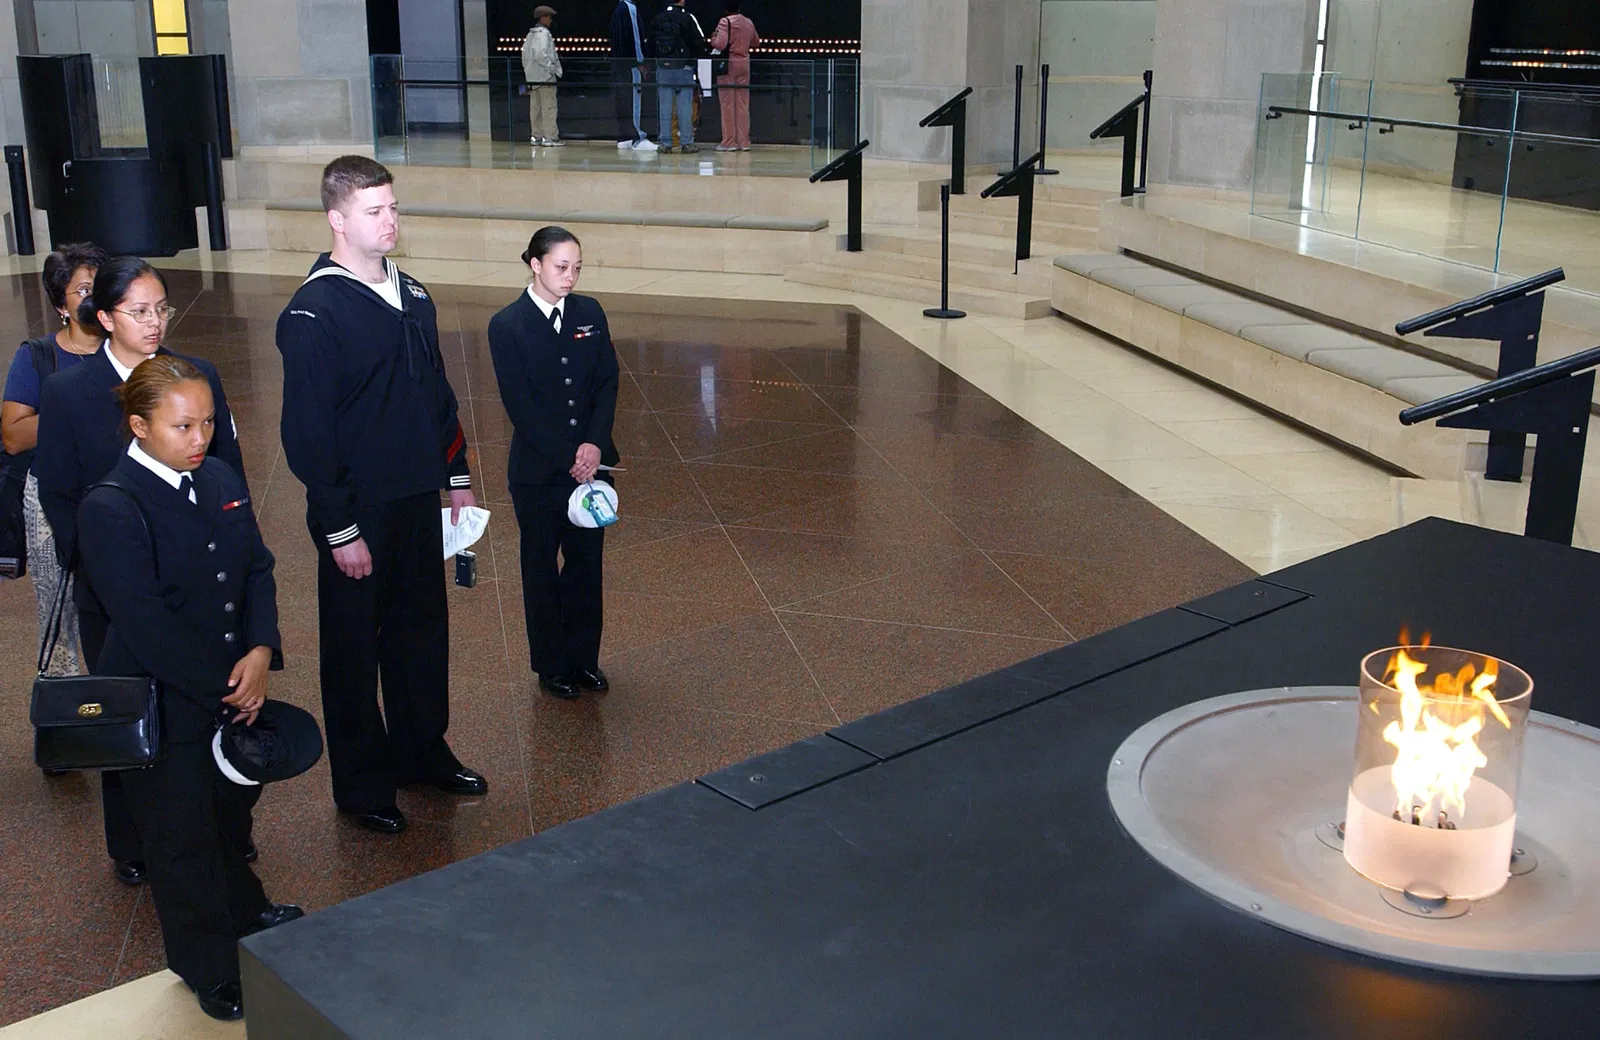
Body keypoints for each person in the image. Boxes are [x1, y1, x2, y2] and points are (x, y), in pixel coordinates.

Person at [77, 355, 301, 1022]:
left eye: (207, 422)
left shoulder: (219, 477)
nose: (200, 438)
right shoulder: (111, 507)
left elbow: (257, 568)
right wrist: (225, 688)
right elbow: (144, 623)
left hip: (234, 686)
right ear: (139, 426)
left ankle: (246, 911)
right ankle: (208, 966)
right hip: (169, 702)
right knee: (181, 838)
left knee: (229, 818)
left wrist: (260, 653)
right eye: (183, 426)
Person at [276, 156, 487, 836]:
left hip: (416, 500)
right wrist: (340, 530)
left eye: (393, 208)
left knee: (421, 636)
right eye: (375, 211)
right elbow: (307, 435)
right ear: (337, 219)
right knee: (353, 650)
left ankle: (422, 752)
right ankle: (364, 784)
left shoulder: (414, 295)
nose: (390, 220)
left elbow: (438, 397)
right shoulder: (314, 311)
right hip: (358, 511)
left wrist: (454, 480)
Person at [34, 255, 246, 888]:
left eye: (162, 309)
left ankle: (222, 827)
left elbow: (226, 470)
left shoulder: (196, 375)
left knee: (206, 707)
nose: (154, 323)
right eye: (139, 312)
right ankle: (133, 841)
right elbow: (59, 494)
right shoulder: (69, 392)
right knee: (132, 709)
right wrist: (108, 569)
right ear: (104, 318)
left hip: (197, 581)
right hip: (116, 591)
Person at [487, 227, 619, 701]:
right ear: (535, 264)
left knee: (586, 565)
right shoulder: (507, 325)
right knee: (540, 567)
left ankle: (584, 659)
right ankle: (551, 664)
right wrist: (570, 456)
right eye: (561, 267)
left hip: (592, 463)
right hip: (539, 473)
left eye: (577, 267)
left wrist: (594, 445)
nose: (570, 276)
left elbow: (607, 382)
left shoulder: (590, 312)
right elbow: (520, 408)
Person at [2, 242, 110, 679]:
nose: (94, 298)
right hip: (52, 499)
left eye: (101, 288)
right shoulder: (38, 357)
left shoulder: (129, 352)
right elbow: (12, 435)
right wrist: (76, 412)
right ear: (60, 305)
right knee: (58, 608)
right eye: (83, 290)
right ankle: (66, 708)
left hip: (118, 492)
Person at [651, 0, 710, 154]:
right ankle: (687, 142)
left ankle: (665, 143)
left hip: (663, 67)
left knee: (664, 106)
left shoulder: (659, 18)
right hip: (684, 67)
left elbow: (651, 42)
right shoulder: (688, 18)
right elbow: (698, 42)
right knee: (685, 107)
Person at [712, 0, 760, 151]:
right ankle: (744, 142)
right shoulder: (748, 22)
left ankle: (729, 142)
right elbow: (756, 42)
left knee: (727, 104)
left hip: (729, 64)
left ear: (726, 9)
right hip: (744, 63)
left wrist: (713, 38)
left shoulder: (725, 22)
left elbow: (720, 44)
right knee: (743, 104)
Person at [608, 0, 656, 151]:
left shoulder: (618, 9)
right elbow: (636, 37)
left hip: (619, 64)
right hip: (631, 66)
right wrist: (640, 61)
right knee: (634, 99)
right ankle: (637, 137)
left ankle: (625, 137)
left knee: (623, 100)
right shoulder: (630, 8)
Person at [521, 6, 564, 147]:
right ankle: (550, 137)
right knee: (549, 108)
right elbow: (541, 55)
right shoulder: (543, 34)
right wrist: (552, 69)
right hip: (545, 78)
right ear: (543, 17)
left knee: (536, 109)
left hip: (533, 78)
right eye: (549, 17)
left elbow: (525, 57)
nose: (550, 20)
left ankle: (536, 136)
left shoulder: (530, 35)